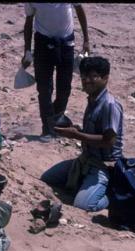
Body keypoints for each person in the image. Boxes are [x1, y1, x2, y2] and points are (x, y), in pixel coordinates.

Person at [40, 56, 123, 212]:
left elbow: (109, 141)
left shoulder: (109, 105)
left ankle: (113, 195)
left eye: (93, 77)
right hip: (87, 159)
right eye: (84, 77)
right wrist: (76, 130)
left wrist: (76, 135)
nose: (87, 81)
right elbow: (93, 132)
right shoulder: (93, 100)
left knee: (84, 205)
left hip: (104, 166)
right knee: (47, 179)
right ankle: (86, 185)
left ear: (105, 78)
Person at [22, 3, 90, 142]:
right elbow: (29, 21)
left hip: (66, 44)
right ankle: (47, 129)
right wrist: (27, 50)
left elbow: (79, 9)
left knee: (64, 88)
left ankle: (56, 123)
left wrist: (86, 41)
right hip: (42, 44)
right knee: (44, 89)